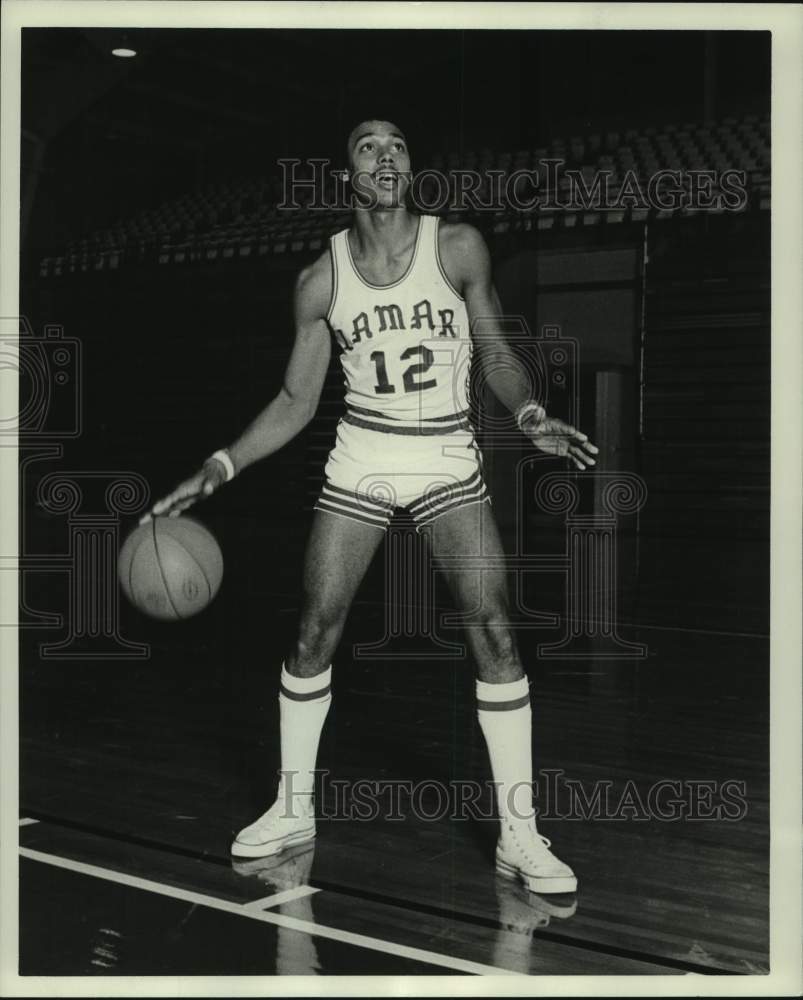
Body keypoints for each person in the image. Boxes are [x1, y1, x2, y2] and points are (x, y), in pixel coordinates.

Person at [143, 120, 598, 894]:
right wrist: (217, 468)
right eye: (367, 146)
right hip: (362, 456)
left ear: (410, 165)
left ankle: (518, 835)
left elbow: (494, 354)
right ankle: (292, 809)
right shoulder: (320, 280)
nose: (386, 156)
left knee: (493, 627)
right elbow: (294, 400)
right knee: (314, 628)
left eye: (397, 145)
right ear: (346, 176)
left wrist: (528, 417)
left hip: (445, 452)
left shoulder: (455, 246)